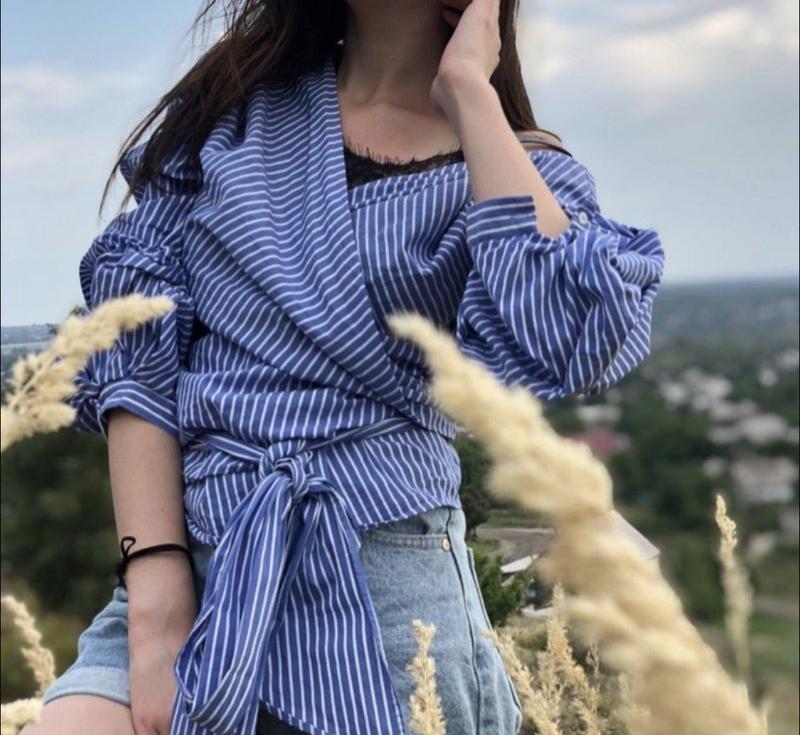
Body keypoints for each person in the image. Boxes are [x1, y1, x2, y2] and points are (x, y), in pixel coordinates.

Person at [26, 1, 665, 734]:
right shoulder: (228, 121)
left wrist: (468, 90)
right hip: (201, 562)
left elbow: (573, 337)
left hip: (388, 592)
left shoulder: (510, 165)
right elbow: (135, 347)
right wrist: (155, 592)